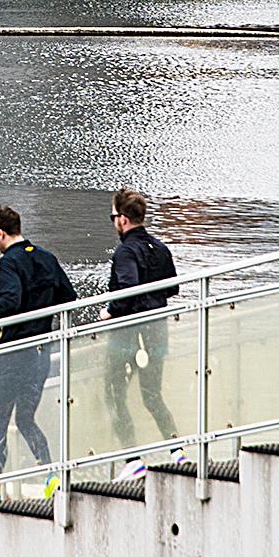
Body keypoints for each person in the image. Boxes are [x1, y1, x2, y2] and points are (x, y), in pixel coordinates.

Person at [0, 206, 75, 484]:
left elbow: (10, 302)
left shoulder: (8, 262)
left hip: (11, 353)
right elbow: (69, 297)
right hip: (40, 353)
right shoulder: (47, 258)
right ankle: (50, 473)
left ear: (1, 233)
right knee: (25, 418)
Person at [105, 186, 180, 442]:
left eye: (113, 217)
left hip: (129, 335)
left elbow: (128, 288)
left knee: (114, 394)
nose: (114, 222)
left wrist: (110, 312)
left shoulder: (125, 252)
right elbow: (172, 287)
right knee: (152, 395)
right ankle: (177, 450)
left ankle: (131, 457)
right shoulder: (159, 247)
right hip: (157, 330)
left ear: (123, 219)